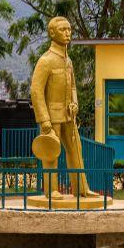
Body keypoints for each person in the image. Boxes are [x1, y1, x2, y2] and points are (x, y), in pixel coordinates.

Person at [29, 16, 97, 198]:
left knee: (76, 151)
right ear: (52, 33)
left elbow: (73, 86)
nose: (68, 33)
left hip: (69, 115)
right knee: (51, 154)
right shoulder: (46, 61)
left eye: (69, 29)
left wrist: (75, 102)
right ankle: (51, 191)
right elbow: (36, 91)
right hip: (52, 117)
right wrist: (44, 120)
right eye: (63, 30)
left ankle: (82, 189)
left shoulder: (68, 61)